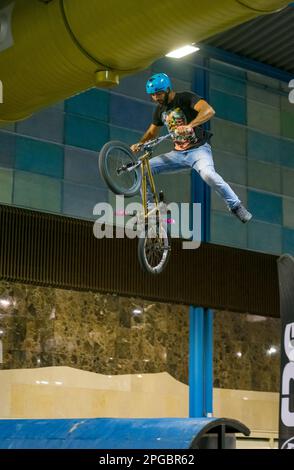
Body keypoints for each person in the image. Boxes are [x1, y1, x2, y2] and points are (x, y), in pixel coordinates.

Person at [130, 73, 252, 223]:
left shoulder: (185, 98)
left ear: (168, 89)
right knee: (142, 168)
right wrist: (140, 143)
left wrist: (190, 126)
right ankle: (152, 208)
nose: (156, 98)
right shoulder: (160, 110)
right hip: (177, 155)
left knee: (208, 175)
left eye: (159, 94)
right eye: (153, 95)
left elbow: (209, 111)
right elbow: (151, 132)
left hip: (198, 151)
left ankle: (236, 206)